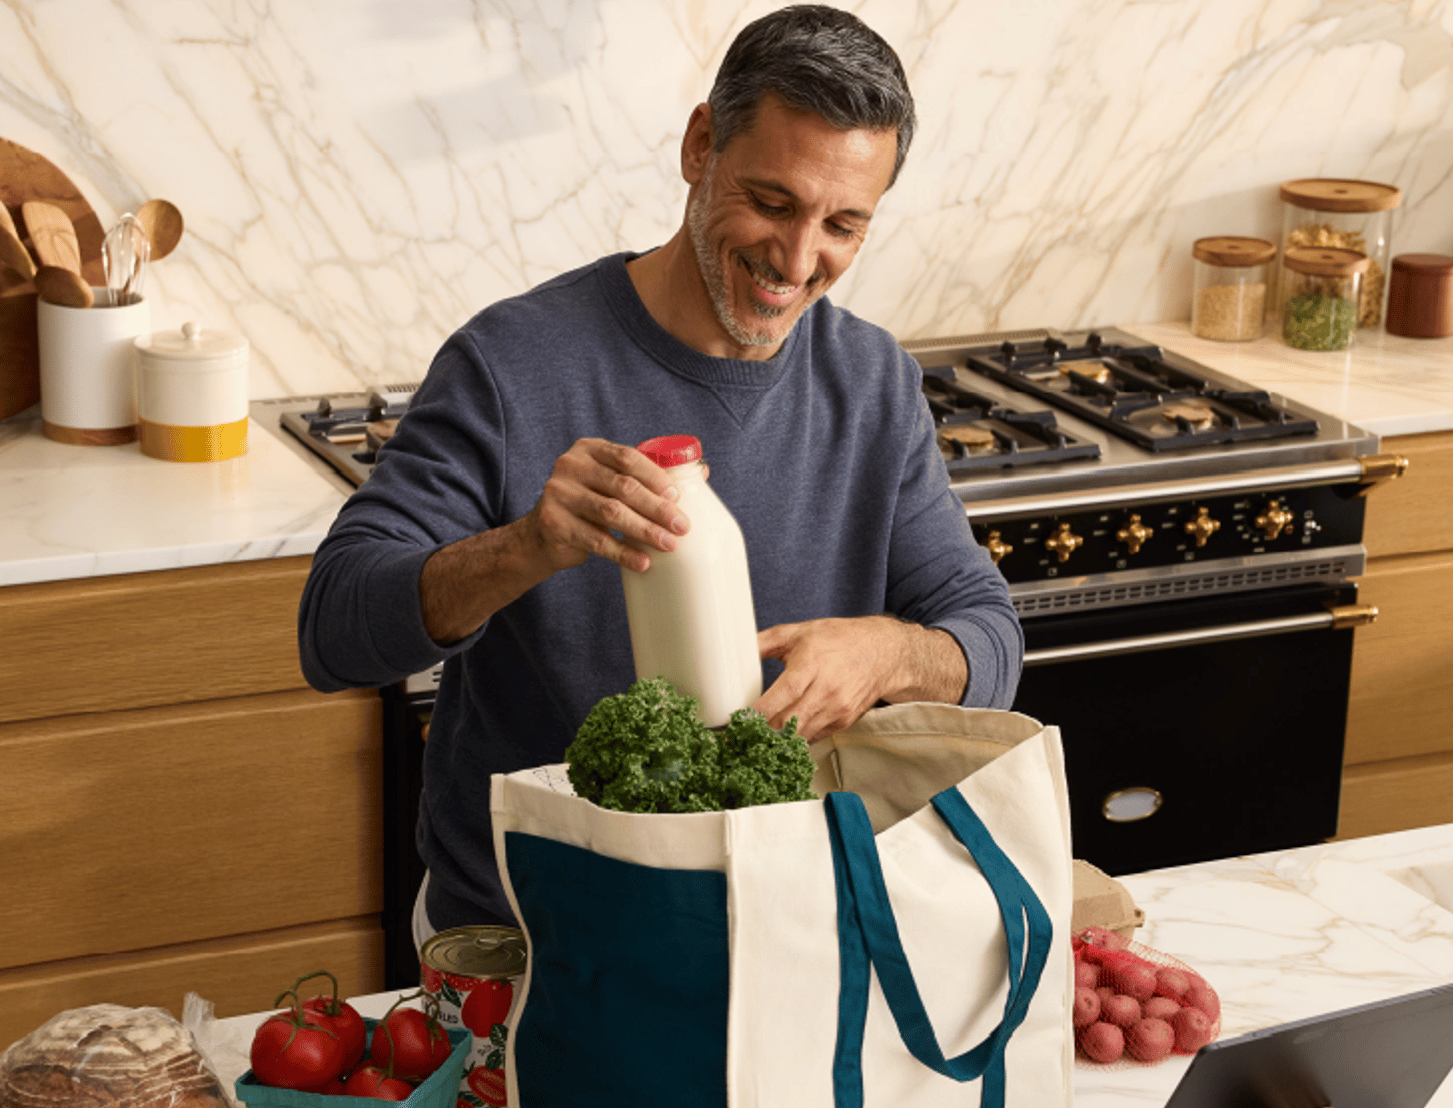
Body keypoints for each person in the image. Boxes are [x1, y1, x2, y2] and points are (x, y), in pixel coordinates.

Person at [297, 3, 1022, 941]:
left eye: (844, 223)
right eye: (771, 202)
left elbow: (989, 638)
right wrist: (528, 547)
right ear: (699, 146)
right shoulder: (514, 365)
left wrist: (891, 653)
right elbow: (335, 632)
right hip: (531, 940)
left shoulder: (870, 380)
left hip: (780, 923)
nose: (798, 260)